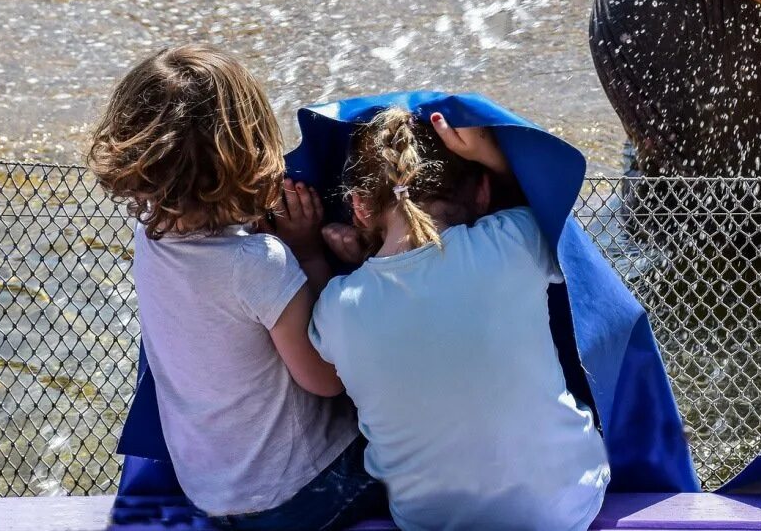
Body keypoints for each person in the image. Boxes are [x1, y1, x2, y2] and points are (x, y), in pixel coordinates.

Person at [88, 46, 383, 531]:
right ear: (250, 145)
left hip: (207, 488)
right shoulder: (259, 265)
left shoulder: (149, 237)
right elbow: (327, 379)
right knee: (410, 443)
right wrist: (309, 254)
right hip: (294, 496)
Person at [307, 108, 611, 531]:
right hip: (565, 506)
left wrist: (315, 255)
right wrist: (497, 159)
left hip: (429, 521)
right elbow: (547, 204)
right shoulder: (514, 240)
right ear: (483, 193)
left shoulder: (337, 306)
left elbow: (331, 369)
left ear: (358, 206)